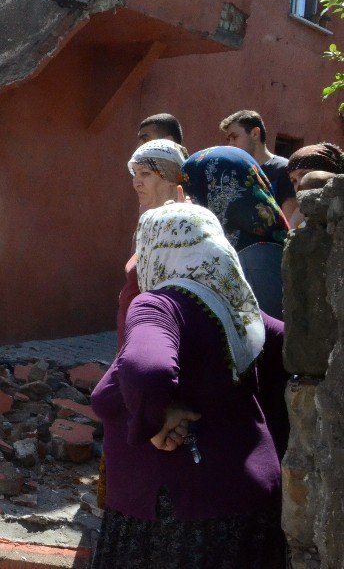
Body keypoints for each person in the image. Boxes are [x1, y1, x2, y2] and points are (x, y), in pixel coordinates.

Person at [90, 203, 287, 568]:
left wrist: (155, 416)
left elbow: (146, 369)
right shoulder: (242, 314)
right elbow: (298, 354)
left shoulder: (160, 305)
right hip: (251, 502)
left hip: (174, 517)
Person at [183, 146, 289, 318]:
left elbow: (266, 336)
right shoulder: (266, 243)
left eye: (192, 189)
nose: (189, 201)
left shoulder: (251, 258)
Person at [118, 139, 188, 348]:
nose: (136, 182)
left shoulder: (184, 222)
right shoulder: (148, 216)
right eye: (136, 174)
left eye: (145, 174)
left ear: (170, 177)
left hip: (155, 342)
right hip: (133, 337)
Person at [220, 109, 297, 220]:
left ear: (255, 133)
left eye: (234, 137)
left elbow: (290, 223)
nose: (230, 144)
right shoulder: (238, 171)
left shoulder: (283, 169)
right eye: (229, 139)